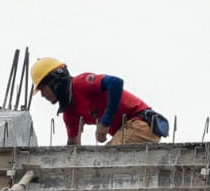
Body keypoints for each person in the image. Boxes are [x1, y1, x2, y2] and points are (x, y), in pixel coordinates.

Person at [31, 57, 168, 146]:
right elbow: (73, 146)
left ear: (55, 81)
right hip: (129, 131)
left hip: (141, 123)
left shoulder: (80, 84)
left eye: (42, 88)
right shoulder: (70, 113)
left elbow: (116, 83)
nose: (42, 95)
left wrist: (105, 122)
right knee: (101, 162)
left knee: (106, 159)